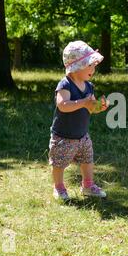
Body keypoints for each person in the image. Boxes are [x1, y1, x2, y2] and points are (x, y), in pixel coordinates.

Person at [49, 40, 109, 201]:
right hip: (63, 136)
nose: (93, 69)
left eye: (93, 65)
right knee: (59, 163)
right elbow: (62, 105)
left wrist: (99, 107)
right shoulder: (65, 84)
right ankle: (59, 188)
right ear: (76, 66)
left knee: (87, 160)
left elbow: (90, 108)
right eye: (89, 65)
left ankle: (88, 185)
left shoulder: (89, 86)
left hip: (82, 135)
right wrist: (83, 102)